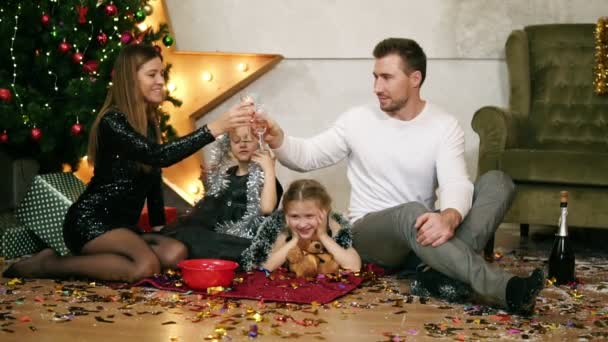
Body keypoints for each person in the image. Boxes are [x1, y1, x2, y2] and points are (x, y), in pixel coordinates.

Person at [257, 38, 544, 315]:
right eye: (375, 77)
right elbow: (308, 156)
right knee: (413, 212)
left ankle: (437, 275)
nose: (377, 87)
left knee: (497, 181)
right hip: (372, 233)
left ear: (415, 78)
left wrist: (449, 217)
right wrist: (278, 138)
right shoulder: (357, 120)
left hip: (423, 234)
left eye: (386, 77)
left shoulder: (443, 125)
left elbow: (455, 183)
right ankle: (506, 289)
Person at [3, 44, 255, 283]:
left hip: (123, 226)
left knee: (175, 252)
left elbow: (153, 174)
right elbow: (159, 155)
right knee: (146, 267)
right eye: (152, 74)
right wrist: (214, 128)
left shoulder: (147, 123)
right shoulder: (112, 122)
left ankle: (105, 258)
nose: (160, 81)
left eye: (161, 74)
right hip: (91, 222)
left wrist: (158, 225)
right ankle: (49, 265)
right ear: (130, 79)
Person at [161, 125, 283, 260]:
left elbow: (267, 209)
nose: (242, 144)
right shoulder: (228, 174)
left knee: (192, 238)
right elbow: (214, 210)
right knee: (184, 231)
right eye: (236, 141)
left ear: (260, 143)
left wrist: (269, 169)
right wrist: (208, 184)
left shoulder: (265, 177)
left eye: (248, 140)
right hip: (219, 236)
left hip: (244, 243)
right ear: (228, 145)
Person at [240, 179, 361, 273]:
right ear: (286, 215)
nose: (302, 224)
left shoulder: (334, 226)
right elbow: (266, 267)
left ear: (324, 212)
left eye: (309, 216)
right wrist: (294, 239)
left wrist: (323, 235)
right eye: (294, 216)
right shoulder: (282, 229)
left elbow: (354, 266)